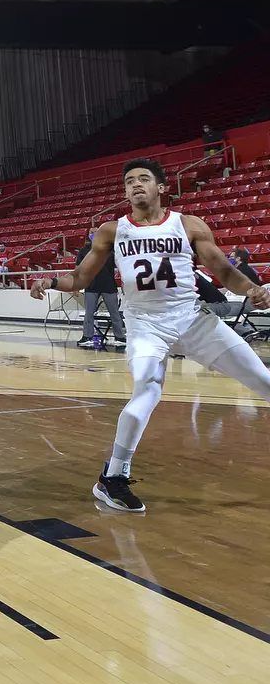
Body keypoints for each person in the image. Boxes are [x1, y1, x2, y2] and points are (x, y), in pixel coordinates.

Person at [30, 158, 270, 512]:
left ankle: (113, 477)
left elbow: (222, 269)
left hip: (192, 320)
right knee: (146, 388)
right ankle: (113, 477)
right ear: (125, 192)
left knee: (263, 379)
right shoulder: (112, 231)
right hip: (145, 324)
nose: (136, 185)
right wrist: (50, 281)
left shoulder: (187, 224)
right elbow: (80, 278)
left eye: (144, 179)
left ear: (161, 187)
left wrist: (251, 289)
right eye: (129, 181)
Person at [77, 227, 125, 348]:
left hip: (109, 285)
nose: (94, 234)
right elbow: (78, 269)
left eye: (96, 232)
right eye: (91, 232)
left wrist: (124, 282)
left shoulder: (110, 250)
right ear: (88, 235)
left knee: (114, 313)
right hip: (91, 286)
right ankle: (87, 336)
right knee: (89, 313)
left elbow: (120, 266)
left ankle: (119, 337)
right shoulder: (83, 251)